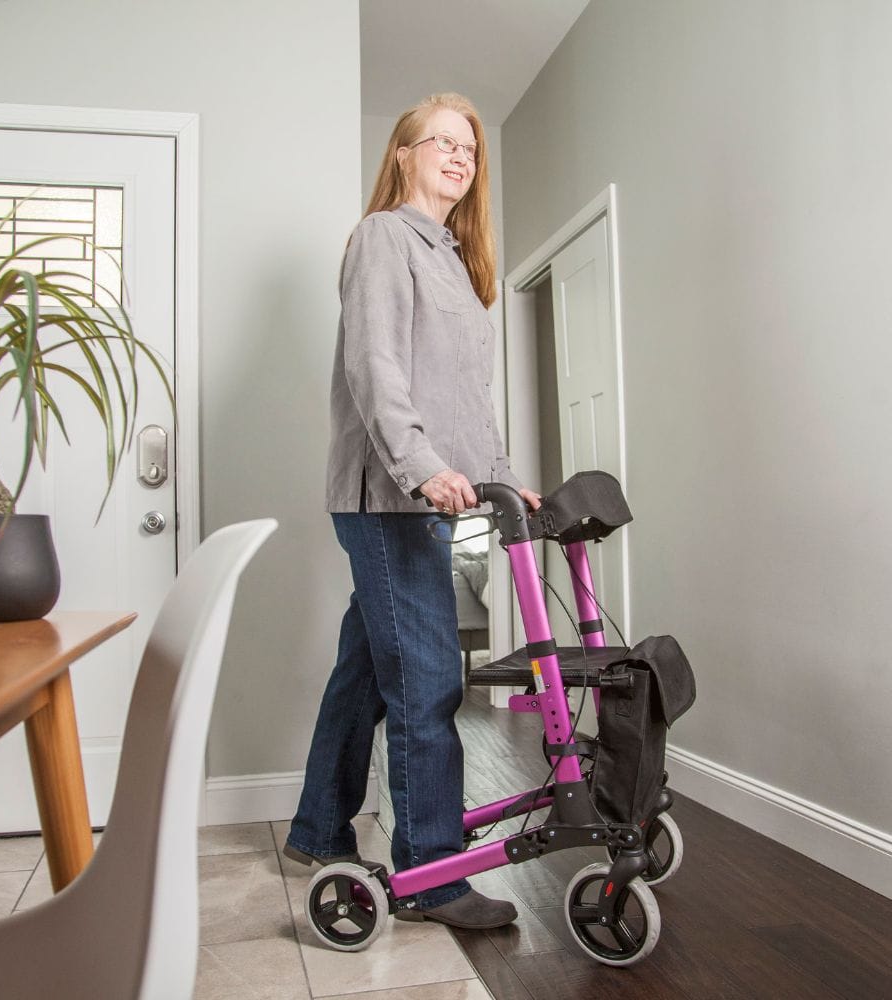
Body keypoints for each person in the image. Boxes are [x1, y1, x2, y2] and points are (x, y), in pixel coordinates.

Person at [284, 92, 540, 930]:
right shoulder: (384, 239)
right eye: (444, 143)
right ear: (403, 153)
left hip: (424, 496)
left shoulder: (457, 264)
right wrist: (424, 467)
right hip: (388, 496)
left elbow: (468, 399)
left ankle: (319, 830)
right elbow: (374, 367)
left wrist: (504, 480)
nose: (462, 157)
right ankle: (432, 876)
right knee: (427, 684)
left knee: (367, 669)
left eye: (471, 148)